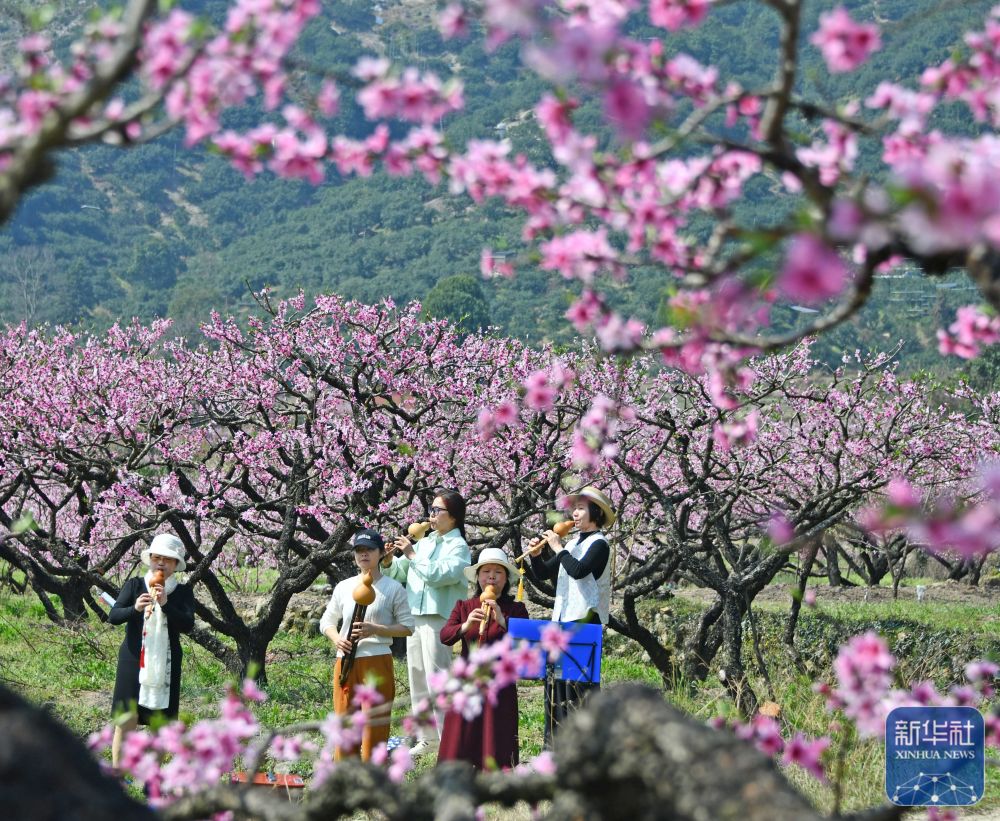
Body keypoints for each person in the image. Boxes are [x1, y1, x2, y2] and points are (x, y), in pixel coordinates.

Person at [384, 489, 471, 756]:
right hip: (415, 616)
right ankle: (427, 738)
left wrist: (412, 554)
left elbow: (438, 575)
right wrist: (388, 561)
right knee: (417, 676)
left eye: (437, 510)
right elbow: (399, 572)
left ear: (453, 517)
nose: (431, 515)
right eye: (431, 510)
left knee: (438, 678)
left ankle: (448, 739)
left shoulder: (458, 547)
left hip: (439, 617)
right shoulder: (425, 543)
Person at [527, 486, 615, 747]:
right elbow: (543, 574)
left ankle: (582, 746)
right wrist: (536, 556)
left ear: (596, 513)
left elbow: (578, 571)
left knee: (579, 689)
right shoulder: (574, 543)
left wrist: (557, 547)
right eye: (574, 509)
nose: (574, 514)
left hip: (585, 622)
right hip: (563, 621)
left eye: (581, 509)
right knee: (557, 686)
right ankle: (554, 745)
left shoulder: (599, 544)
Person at [319, 528, 413, 761]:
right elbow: (326, 622)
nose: (364, 555)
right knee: (345, 722)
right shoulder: (344, 586)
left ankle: (373, 775)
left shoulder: (393, 588)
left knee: (375, 725)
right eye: (359, 550)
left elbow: (407, 627)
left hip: (377, 660)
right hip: (345, 661)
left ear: (381, 553)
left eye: (369, 550)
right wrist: (337, 639)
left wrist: (376, 629)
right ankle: (344, 775)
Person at [437, 547, 529, 770]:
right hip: (467, 678)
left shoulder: (516, 609)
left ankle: (494, 774)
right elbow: (445, 636)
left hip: (500, 680)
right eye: (486, 572)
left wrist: (502, 620)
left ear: (506, 579)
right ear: (478, 577)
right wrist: (466, 624)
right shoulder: (464, 606)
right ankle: (457, 772)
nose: (491, 577)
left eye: (498, 572)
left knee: (495, 731)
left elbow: (526, 641)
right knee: (460, 732)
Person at [109, 533, 195, 768]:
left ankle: (153, 779)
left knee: (161, 723)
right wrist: (135, 608)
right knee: (126, 719)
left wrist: (166, 604)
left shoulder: (183, 592)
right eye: (157, 558)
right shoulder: (135, 585)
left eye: (167, 559)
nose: (161, 563)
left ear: (176, 564)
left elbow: (187, 624)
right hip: (132, 659)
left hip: (166, 663)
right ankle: (118, 775)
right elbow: (114, 616)